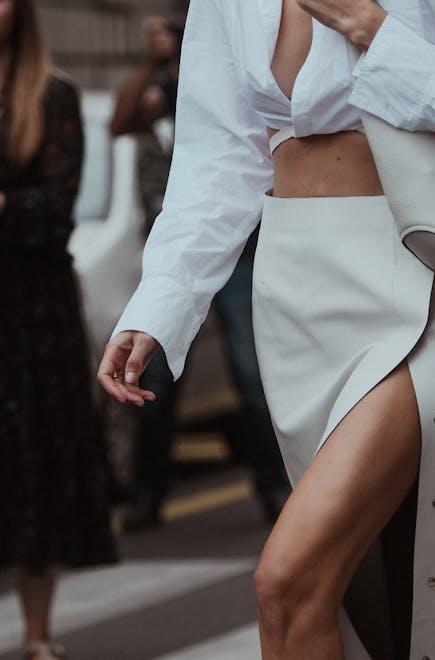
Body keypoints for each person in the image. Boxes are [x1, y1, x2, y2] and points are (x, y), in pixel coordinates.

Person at [98, 0, 435, 657]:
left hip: (424, 288)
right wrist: (162, 303)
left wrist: (372, 30)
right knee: (386, 601)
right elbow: (218, 159)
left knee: (290, 582)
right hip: (296, 294)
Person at [109, 15, 291, 529]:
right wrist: (152, 62)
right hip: (174, 253)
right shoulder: (163, 86)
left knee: (252, 373)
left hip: (243, 249)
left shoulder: (236, 74)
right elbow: (120, 122)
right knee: (153, 376)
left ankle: (276, 489)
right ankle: (149, 494)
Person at [0, 0, 119, 658]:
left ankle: (38, 634)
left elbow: (54, 211)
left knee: (30, 464)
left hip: (29, 312)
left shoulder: (51, 94)